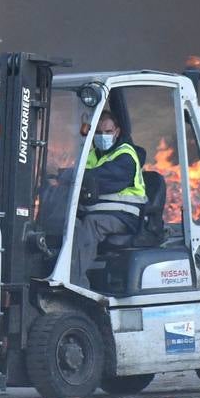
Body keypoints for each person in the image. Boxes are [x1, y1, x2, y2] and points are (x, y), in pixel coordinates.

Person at [69, 111, 146, 289]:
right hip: (103, 211)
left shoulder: (125, 156)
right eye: (98, 132)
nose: (102, 136)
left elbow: (98, 179)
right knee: (69, 223)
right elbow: (79, 174)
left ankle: (75, 282)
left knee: (91, 224)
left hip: (124, 216)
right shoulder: (93, 155)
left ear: (117, 132)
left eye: (107, 132)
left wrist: (68, 177)